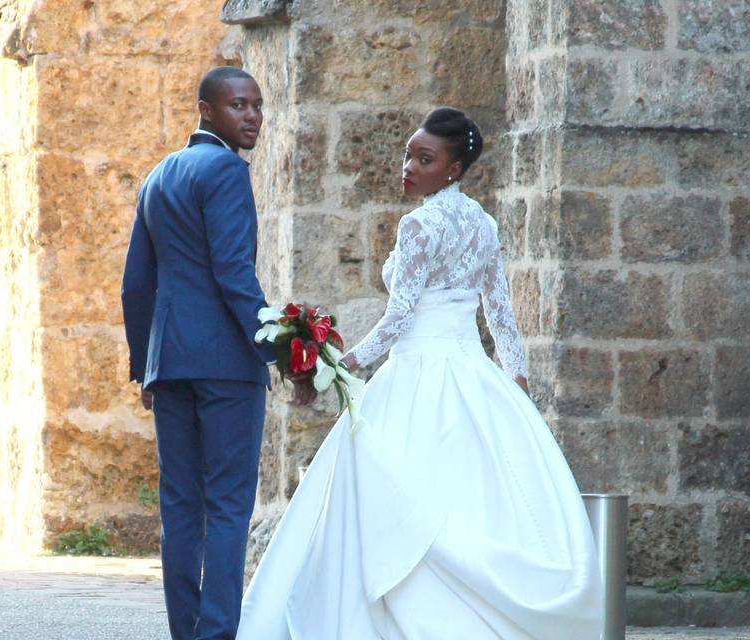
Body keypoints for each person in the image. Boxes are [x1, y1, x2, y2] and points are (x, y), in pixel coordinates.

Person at [236, 107, 605, 638]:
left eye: (424, 158)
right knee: (473, 496)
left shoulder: (418, 225)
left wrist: (336, 364)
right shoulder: (483, 223)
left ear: (453, 168)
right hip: (473, 373)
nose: (408, 166)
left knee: (404, 492)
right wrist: (516, 382)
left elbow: (399, 318)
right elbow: (499, 314)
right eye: (409, 154)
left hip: (416, 374)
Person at [121, 66, 314, 640]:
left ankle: (188, 632)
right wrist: (282, 353)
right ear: (206, 110)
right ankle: (216, 635)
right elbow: (234, 275)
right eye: (238, 106)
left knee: (181, 506)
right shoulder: (226, 170)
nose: (251, 116)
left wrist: (145, 367)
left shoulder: (158, 176)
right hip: (227, 366)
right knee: (229, 506)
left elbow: (136, 285)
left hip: (171, 365)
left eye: (257, 105)